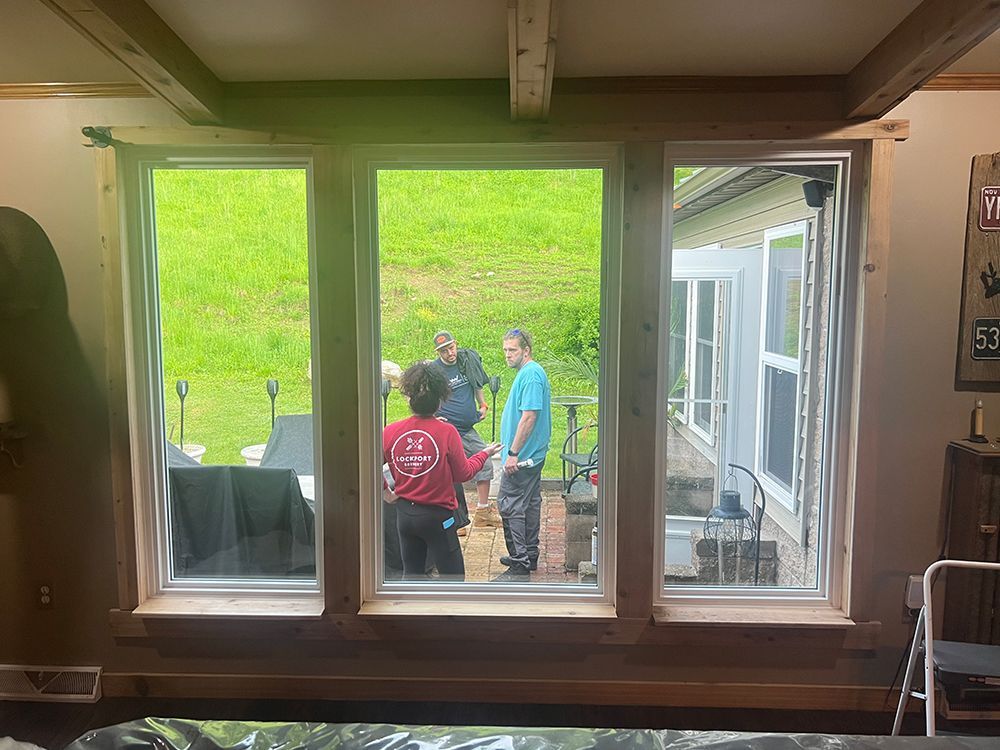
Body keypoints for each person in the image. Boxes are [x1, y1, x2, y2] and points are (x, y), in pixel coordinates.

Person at [383, 361, 501, 580]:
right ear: (441, 400)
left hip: (405, 516)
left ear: (409, 398)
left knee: (412, 575)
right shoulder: (446, 431)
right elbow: (463, 474)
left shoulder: (389, 432)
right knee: (453, 578)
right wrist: (484, 453)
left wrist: (386, 493)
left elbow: (367, 463)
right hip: (439, 517)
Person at [428, 330, 502, 531]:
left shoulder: (466, 361)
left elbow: (476, 383)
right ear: (438, 353)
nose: (449, 353)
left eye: (450, 348)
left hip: (467, 429)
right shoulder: (434, 371)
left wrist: (483, 404)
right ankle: (455, 519)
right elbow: (420, 396)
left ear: (456, 344)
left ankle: (483, 511)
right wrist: (433, 417)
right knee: (450, 472)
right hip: (448, 431)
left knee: (484, 459)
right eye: (443, 351)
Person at [494, 328, 552, 580]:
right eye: (505, 350)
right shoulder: (529, 373)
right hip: (530, 455)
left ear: (526, 351)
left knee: (509, 505)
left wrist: (513, 453)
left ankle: (519, 564)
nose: (507, 355)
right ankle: (529, 555)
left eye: (513, 350)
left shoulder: (530, 376)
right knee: (529, 505)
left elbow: (529, 416)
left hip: (523, 458)